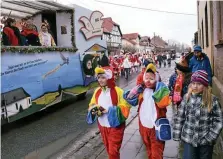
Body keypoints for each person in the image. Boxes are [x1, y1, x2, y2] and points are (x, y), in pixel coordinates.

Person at [124, 63, 171, 159]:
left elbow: (163, 103)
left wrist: (159, 89)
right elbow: (131, 99)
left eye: (151, 78)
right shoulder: (141, 90)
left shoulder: (160, 90)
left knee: (156, 154)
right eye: (146, 78)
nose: (148, 81)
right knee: (149, 151)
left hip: (156, 128)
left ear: (156, 79)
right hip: (144, 127)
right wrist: (133, 92)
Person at [173, 70, 223, 159]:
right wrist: (177, 133)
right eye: (193, 83)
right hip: (189, 138)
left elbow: (219, 120)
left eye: (199, 84)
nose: (195, 86)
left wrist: (210, 137)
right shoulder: (186, 97)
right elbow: (180, 117)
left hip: (205, 140)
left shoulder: (212, 100)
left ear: (205, 85)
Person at [86, 67, 131, 159]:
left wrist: (109, 111)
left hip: (115, 127)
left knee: (113, 152)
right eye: (98, 78)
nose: (100, 80)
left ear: (108, 77)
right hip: (102, 126)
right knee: (109, 149)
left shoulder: (118, 91)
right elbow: (91, 105)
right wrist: (95, 109)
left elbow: (126, 106)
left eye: (103, 77)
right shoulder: (97, 91)